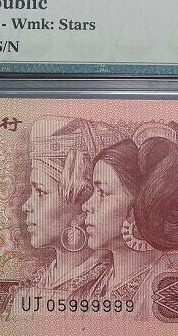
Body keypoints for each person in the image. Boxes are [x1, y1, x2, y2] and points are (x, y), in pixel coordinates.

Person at [82, 122, 178, 311]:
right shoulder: (91, 286)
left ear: (140, 206)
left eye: (102, 192)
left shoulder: (167, 295)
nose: (85, 206)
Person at [21, 116, 120, 296]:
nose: (26, 206)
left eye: (40, 192)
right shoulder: (39, 281)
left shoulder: (108, 286)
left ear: (83, 203)